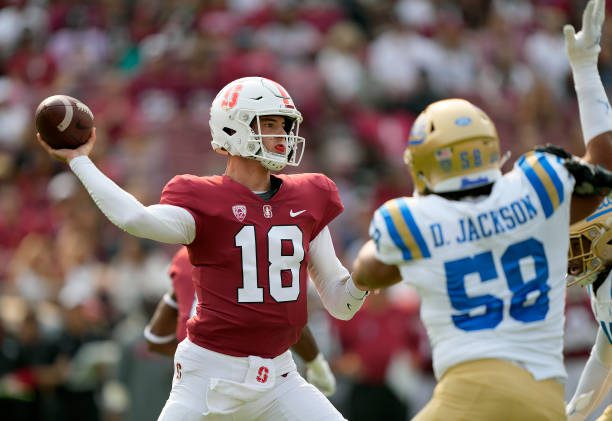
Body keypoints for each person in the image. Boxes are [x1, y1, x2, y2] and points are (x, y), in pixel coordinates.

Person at [38, 76, 368, 420]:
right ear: (232, 128)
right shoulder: (203, 199)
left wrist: (365, 276)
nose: (282, 135)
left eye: (284, 124)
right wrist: (79, 160)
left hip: (280, 378)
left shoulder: (309, 196)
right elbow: (134, 218)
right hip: (210, 378)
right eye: (269, 123)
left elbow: (341, 303)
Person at [351, 0, 612, 419]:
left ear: (423, 164)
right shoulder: (538, 183)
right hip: (544, 396)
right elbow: (602, 160)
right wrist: (584, 70)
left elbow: (368, 273)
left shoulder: (411, 218)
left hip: (467, 393)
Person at [145, 246, 337, 397]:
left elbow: (155, 339)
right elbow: (288, 319)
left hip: (198, 386)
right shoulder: (250, 249)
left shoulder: (183, 258)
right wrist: (318, 366)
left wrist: (193, 361)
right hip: (250, 382)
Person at [566, 196, 611, 421]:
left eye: (577, 244)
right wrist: (574, 414)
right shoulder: (602, 280)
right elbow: (603, 359)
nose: (570, 256)